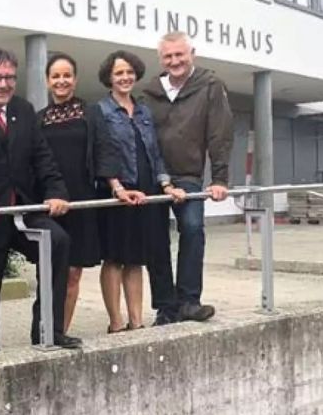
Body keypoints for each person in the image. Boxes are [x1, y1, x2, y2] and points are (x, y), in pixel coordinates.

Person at [0, 47, 81, 352]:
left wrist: (57, 192)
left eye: (9, 77)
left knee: (57, 242)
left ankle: (48, 331)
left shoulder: (24, 109)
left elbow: (42, 157)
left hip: (22, 209)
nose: (3, 84)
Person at [141, 32, 234, 325]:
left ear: (192, 52)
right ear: (161, 59)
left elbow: (220, 134)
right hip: (154, 177)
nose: (175, 61)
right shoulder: (149, 92)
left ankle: (189, 301)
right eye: (168, 56)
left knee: (193, 229)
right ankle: (166, 308)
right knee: (155, 241)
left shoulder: (210, 86)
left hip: (188, 176)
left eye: (180, 54)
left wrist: (219, 178)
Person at [90, 50, 187, 333]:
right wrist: (116, 186)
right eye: (119, 72)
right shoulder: (100, 110)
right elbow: (101, 152)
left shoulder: (144, 110)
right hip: (116, 192)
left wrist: (166, 183)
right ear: (109, 77)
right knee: (115, 257)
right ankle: (116, 322)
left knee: (136, 258)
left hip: (146, 192)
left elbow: (155, 153)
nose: (125, 77)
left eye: (129, 72)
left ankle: (136, 320)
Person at [37, 52, 100, 333]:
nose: (61, 81)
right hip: (50, 202)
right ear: (48, 81)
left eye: (66, 75)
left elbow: (104, 153)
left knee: (74, 272)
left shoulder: (91, 114)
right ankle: (44, 330)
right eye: (55, 76)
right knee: (50, 273)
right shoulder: (38, 119)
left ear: (75, 79)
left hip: (82, 201)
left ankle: (60, 331)